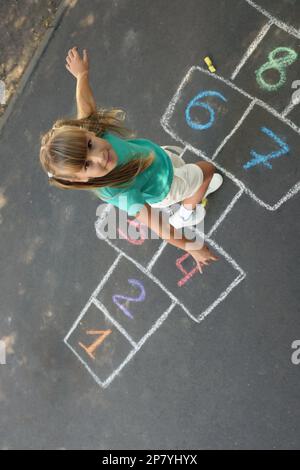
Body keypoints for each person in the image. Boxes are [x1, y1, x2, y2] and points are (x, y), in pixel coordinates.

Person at [39, 47, 223, 273]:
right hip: (167, 187)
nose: (99, 155)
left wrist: (81, 76)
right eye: (87, 164)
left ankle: (189, 194)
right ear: (81, 179)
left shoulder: (93, 130)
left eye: (89, 145)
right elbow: (159, 227)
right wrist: (192, 247)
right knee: (207, 170)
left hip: (156, 160)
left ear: (88, 134)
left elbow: (86, 106)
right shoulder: (121, 193)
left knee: (181, 166)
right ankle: (186, 212)